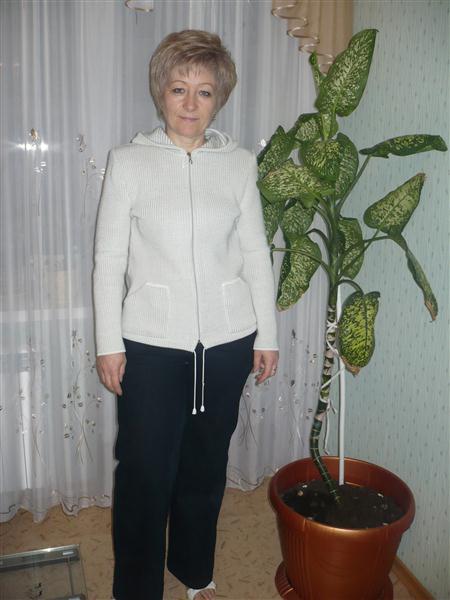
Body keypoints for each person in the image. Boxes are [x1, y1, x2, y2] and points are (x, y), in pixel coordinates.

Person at [93, 29, 279, 600]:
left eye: (204, 91)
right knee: (144, 473)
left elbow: (255, 253)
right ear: (161, 92)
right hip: (151, 344)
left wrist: (267, 335)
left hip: (226, 342)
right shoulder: (128, 162)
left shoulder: (238, 165)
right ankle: (137, 588)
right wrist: (108, 343)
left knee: (205, 464)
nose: (191, 103)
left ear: (219, 97)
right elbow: (108, 259)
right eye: (179, 89)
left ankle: (194, 570)